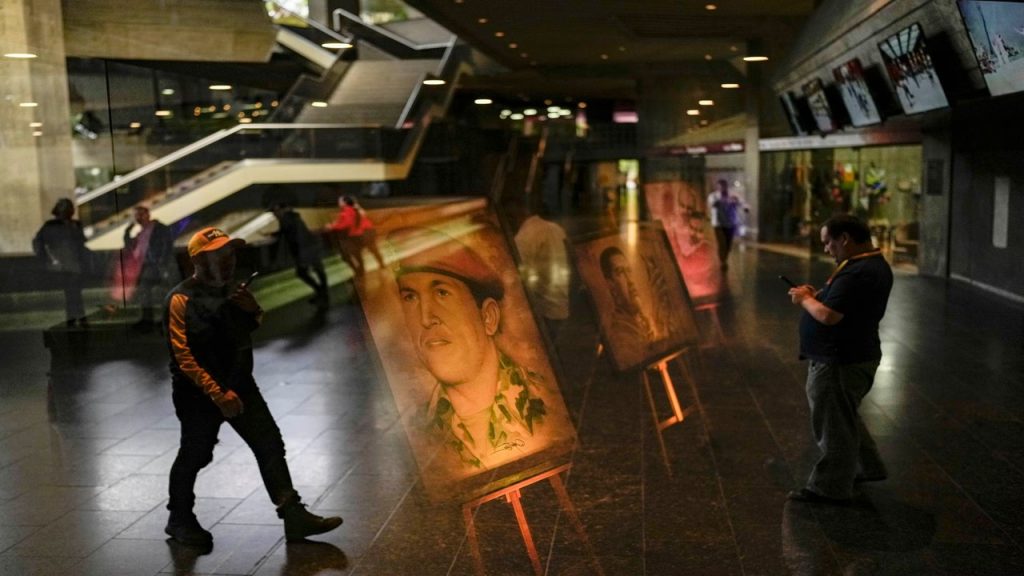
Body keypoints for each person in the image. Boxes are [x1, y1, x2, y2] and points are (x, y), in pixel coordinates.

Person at [163, 227, 342, 547]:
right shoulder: (180, 298)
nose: (228, 261)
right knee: (196, 453)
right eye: (219, 255)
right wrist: (218, 394)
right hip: (198, 394)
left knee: (269, 443)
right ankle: (179, 518)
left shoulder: (231, 291)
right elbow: (183, 357)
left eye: (230, 254)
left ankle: (293, 515)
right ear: (199, 260)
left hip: (240, 383)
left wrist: (251, 309)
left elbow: (244, 329)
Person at [390, 227, 549, 471]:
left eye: (442, 293)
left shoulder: (546, 403)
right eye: (411, 297)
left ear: (488, 316)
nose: (425, 318)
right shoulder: (419, 434)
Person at [786, 214, 893, 504]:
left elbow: (829, 316)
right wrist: (816, 295)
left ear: (844, 238)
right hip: (851, 355)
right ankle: (866, 466)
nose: (826, 249)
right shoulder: (868, 266)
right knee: (843, 417)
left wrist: (805, 300)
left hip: (839, 360)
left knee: (833, 425)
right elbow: (839, 304)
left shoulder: (859, 272)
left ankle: (830, 487)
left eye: (828, 242)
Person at [512, 205, 570, 340]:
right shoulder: (556, 229)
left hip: (543, 309)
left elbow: (517, 271)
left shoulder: (526, 234)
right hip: (561, 305)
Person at [32, 198, 92, 327]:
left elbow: (81, 243)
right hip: (65, 264)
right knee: (73, 292)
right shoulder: (52, 225)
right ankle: (78, 317)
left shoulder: (74, 224)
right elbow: (39, 243)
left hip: (73, 264)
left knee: (73, 292)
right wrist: (50, 259)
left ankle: (75, 317)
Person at [600, 245, 654, 365]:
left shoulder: (641, 322)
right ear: (611, 284)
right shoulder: (621, 339)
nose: (630, 280)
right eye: (620, 272)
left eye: (628, 270)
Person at [124, 206, 176, 330]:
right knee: (146, 291)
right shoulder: (141, 232)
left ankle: (155, 320)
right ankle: (152, 319)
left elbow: (167, 245)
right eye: (136, 215)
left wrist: (162, 262)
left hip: (155, 264)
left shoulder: (159, 228)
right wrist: (128, 230)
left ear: (148, 214)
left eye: (140, 214)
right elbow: (130, 245)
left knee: (152, 290)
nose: (138, 218)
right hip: (146, 265)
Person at [270, 203, 329, 307]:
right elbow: (286, 231)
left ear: (281, 210)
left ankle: (321, 293)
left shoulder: (286, 219)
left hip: (305, 249)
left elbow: (294, 236)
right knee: (318, 270)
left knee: (303, 273)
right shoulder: (290, 217)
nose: (274, 215)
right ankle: (323, 294)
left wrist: (300, 255)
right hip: (310, 246)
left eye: (275, 212)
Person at [325, 196, 385, 277]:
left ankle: (361, 272)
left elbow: (345, 223)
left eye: (340, 201)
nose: (338, 202)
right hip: (368, 232)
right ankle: (381, 264)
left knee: (355, 253)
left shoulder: (347, 210)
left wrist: (331, 226)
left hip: (360, 235)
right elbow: (360, 216)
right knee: (373, 249)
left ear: (345, 202)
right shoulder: (356, 207)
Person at [707, 179, 748, 269]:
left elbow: (742, 202)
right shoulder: (713, 196)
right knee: (722, 243)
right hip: (718, 224)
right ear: (717, 187)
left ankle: (724, 258)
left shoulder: (733, 196)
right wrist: (722, 201)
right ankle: (723, 261)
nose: (722, 188)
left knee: (728, 244)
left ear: (726, 186)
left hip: (731, 223)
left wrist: (745, 208)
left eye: (724, 186)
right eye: (720, 186)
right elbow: (713, 204)